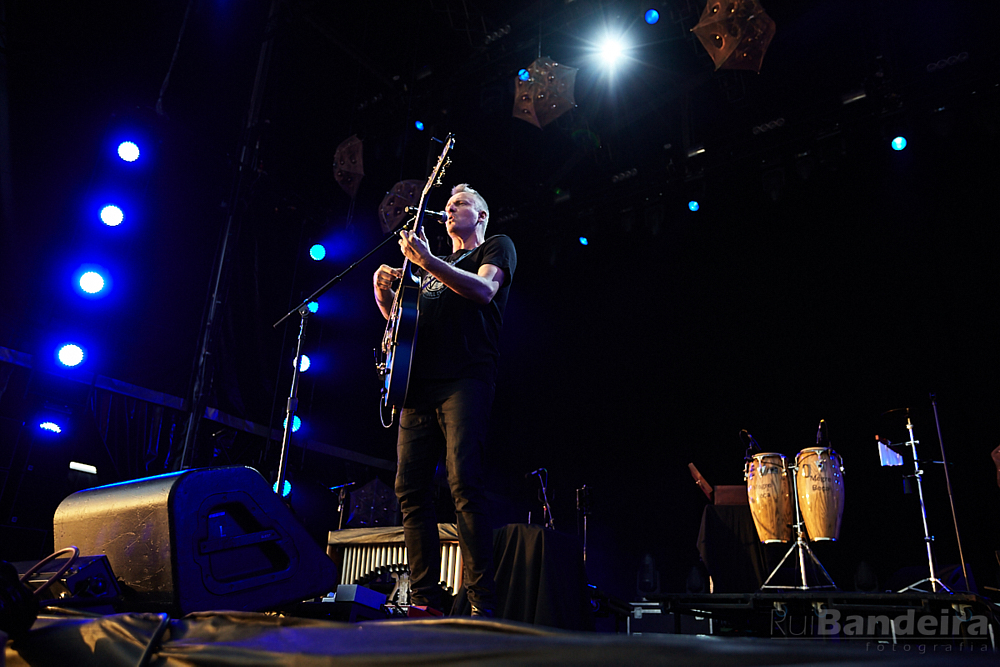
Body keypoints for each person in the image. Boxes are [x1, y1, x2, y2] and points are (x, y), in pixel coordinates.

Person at [373, 183, 517, 616]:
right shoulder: (432, 267)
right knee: (409, 490)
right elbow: (403, 323)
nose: (450, 210)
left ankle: (481, 605)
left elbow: (484, 291)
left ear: (481, 216)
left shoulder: (494, 247)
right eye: (448, 204)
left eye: (461, 204)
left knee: (464, 484)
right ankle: (425, 603)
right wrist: (382, 293)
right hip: (417, 386)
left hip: (465, 379)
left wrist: (428, 261)